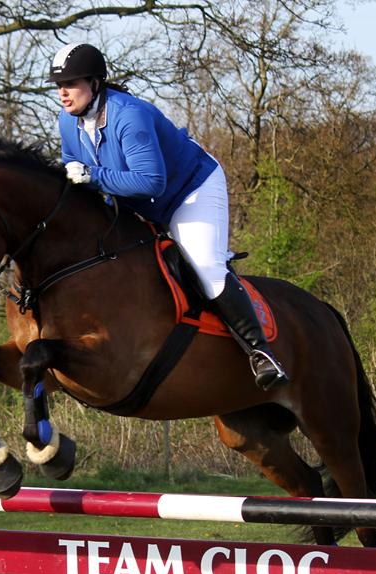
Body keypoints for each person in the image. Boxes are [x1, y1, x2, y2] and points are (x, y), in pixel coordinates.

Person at [48, 43, 288, 391]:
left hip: (189, 191)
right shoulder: (67, 122)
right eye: (59, 86)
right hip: (139, 204)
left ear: (95, 83)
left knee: (205, 268)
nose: (63, 93)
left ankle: (260, 352)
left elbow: (151, 182)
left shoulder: (128, 116)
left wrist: (94, 176)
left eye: (70, 84)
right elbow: (74, 166)